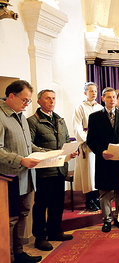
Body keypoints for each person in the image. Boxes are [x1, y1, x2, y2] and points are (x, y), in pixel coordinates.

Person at [27, 89, 78, 251]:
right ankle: (40, 237)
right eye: (48, 98)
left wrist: (71, 151)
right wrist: (49, 154)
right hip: (44, 170)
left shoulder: (60, 120)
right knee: (42, 204)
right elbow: (30, 145)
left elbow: (65, 140)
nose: (52, 101)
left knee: (57, 203)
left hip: (59, 168)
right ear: (39, 102)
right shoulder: (32, 121)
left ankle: (54, 231)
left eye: (54, 98)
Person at [0, 80, 43, 263]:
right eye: (24, 100)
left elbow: (28, 146)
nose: (27, 105)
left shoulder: (21, 116)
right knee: (10, 219)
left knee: (23, 214)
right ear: (11, 96)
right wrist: (21, 160)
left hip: (26, 177)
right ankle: (7, 257)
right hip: (8, 179)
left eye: (28, 101)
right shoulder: (1, 117)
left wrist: (51, 154)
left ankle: (18, 253)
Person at [86, 88, 119, 233]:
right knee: (105, 192)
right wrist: (101, 152)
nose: (112, 100)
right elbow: (91, 140)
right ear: (103, 99)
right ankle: (107, 220)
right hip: (104, 161)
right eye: (108, 97)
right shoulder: (94, 117)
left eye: (114, 97)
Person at [72, 82, 103, 212]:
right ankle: (89, 199)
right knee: (88, 172)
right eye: (91, 91)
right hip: (87, 145)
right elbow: (77, 127)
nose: (93, 93)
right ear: (85, 93)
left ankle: (97, 198)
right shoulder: (80, 108)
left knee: (97, 171)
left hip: (99, 145)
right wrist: (88, 139)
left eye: (95, 91)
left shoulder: (100, 107)